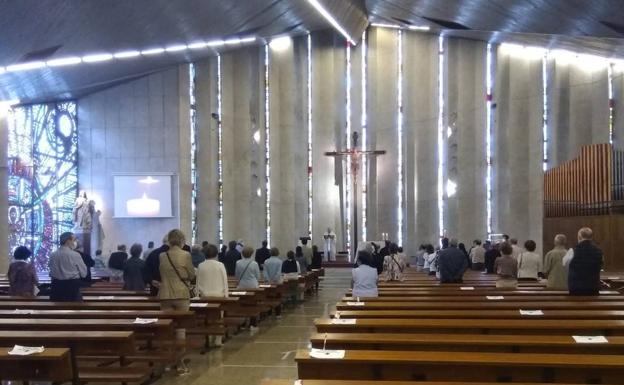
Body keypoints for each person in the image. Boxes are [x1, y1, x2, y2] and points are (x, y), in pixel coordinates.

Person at [158, 229, 195, 375]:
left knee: (167, 329)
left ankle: (168, 362)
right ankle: (180, 364)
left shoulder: (162, 255)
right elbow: (191, 274)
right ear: (181, 240)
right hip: (181, 293)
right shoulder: (185, 255)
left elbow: (162, 273)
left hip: (165, 293)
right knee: (181, 329)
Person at [196, 243, 228, 346]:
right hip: (219, 295)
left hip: (205, 295)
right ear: (216, 253)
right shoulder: (220, 265)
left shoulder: (201, 265)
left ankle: (209, 336)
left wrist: (198, 294)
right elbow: (225, 281)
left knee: (208, 317)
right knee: (219, 318)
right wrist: (226, 295)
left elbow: (198, 282)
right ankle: (218, 339)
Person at [564, 227, 603, 295]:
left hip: (576, 289)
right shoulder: (599, 251)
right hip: (593, 289)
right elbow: (601, 265)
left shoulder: (572, 251)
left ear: (579, 237)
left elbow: (565, 265)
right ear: (591, 237)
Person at [49, 232, 87, 301]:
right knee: (74, 309)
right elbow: (84, 274)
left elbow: (51, 271)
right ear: (68, 241)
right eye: (74, 240)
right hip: (72, 287)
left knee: (56, 310)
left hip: (56, 287)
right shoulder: (75, 255)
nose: (75, 242)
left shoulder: (52, 255)